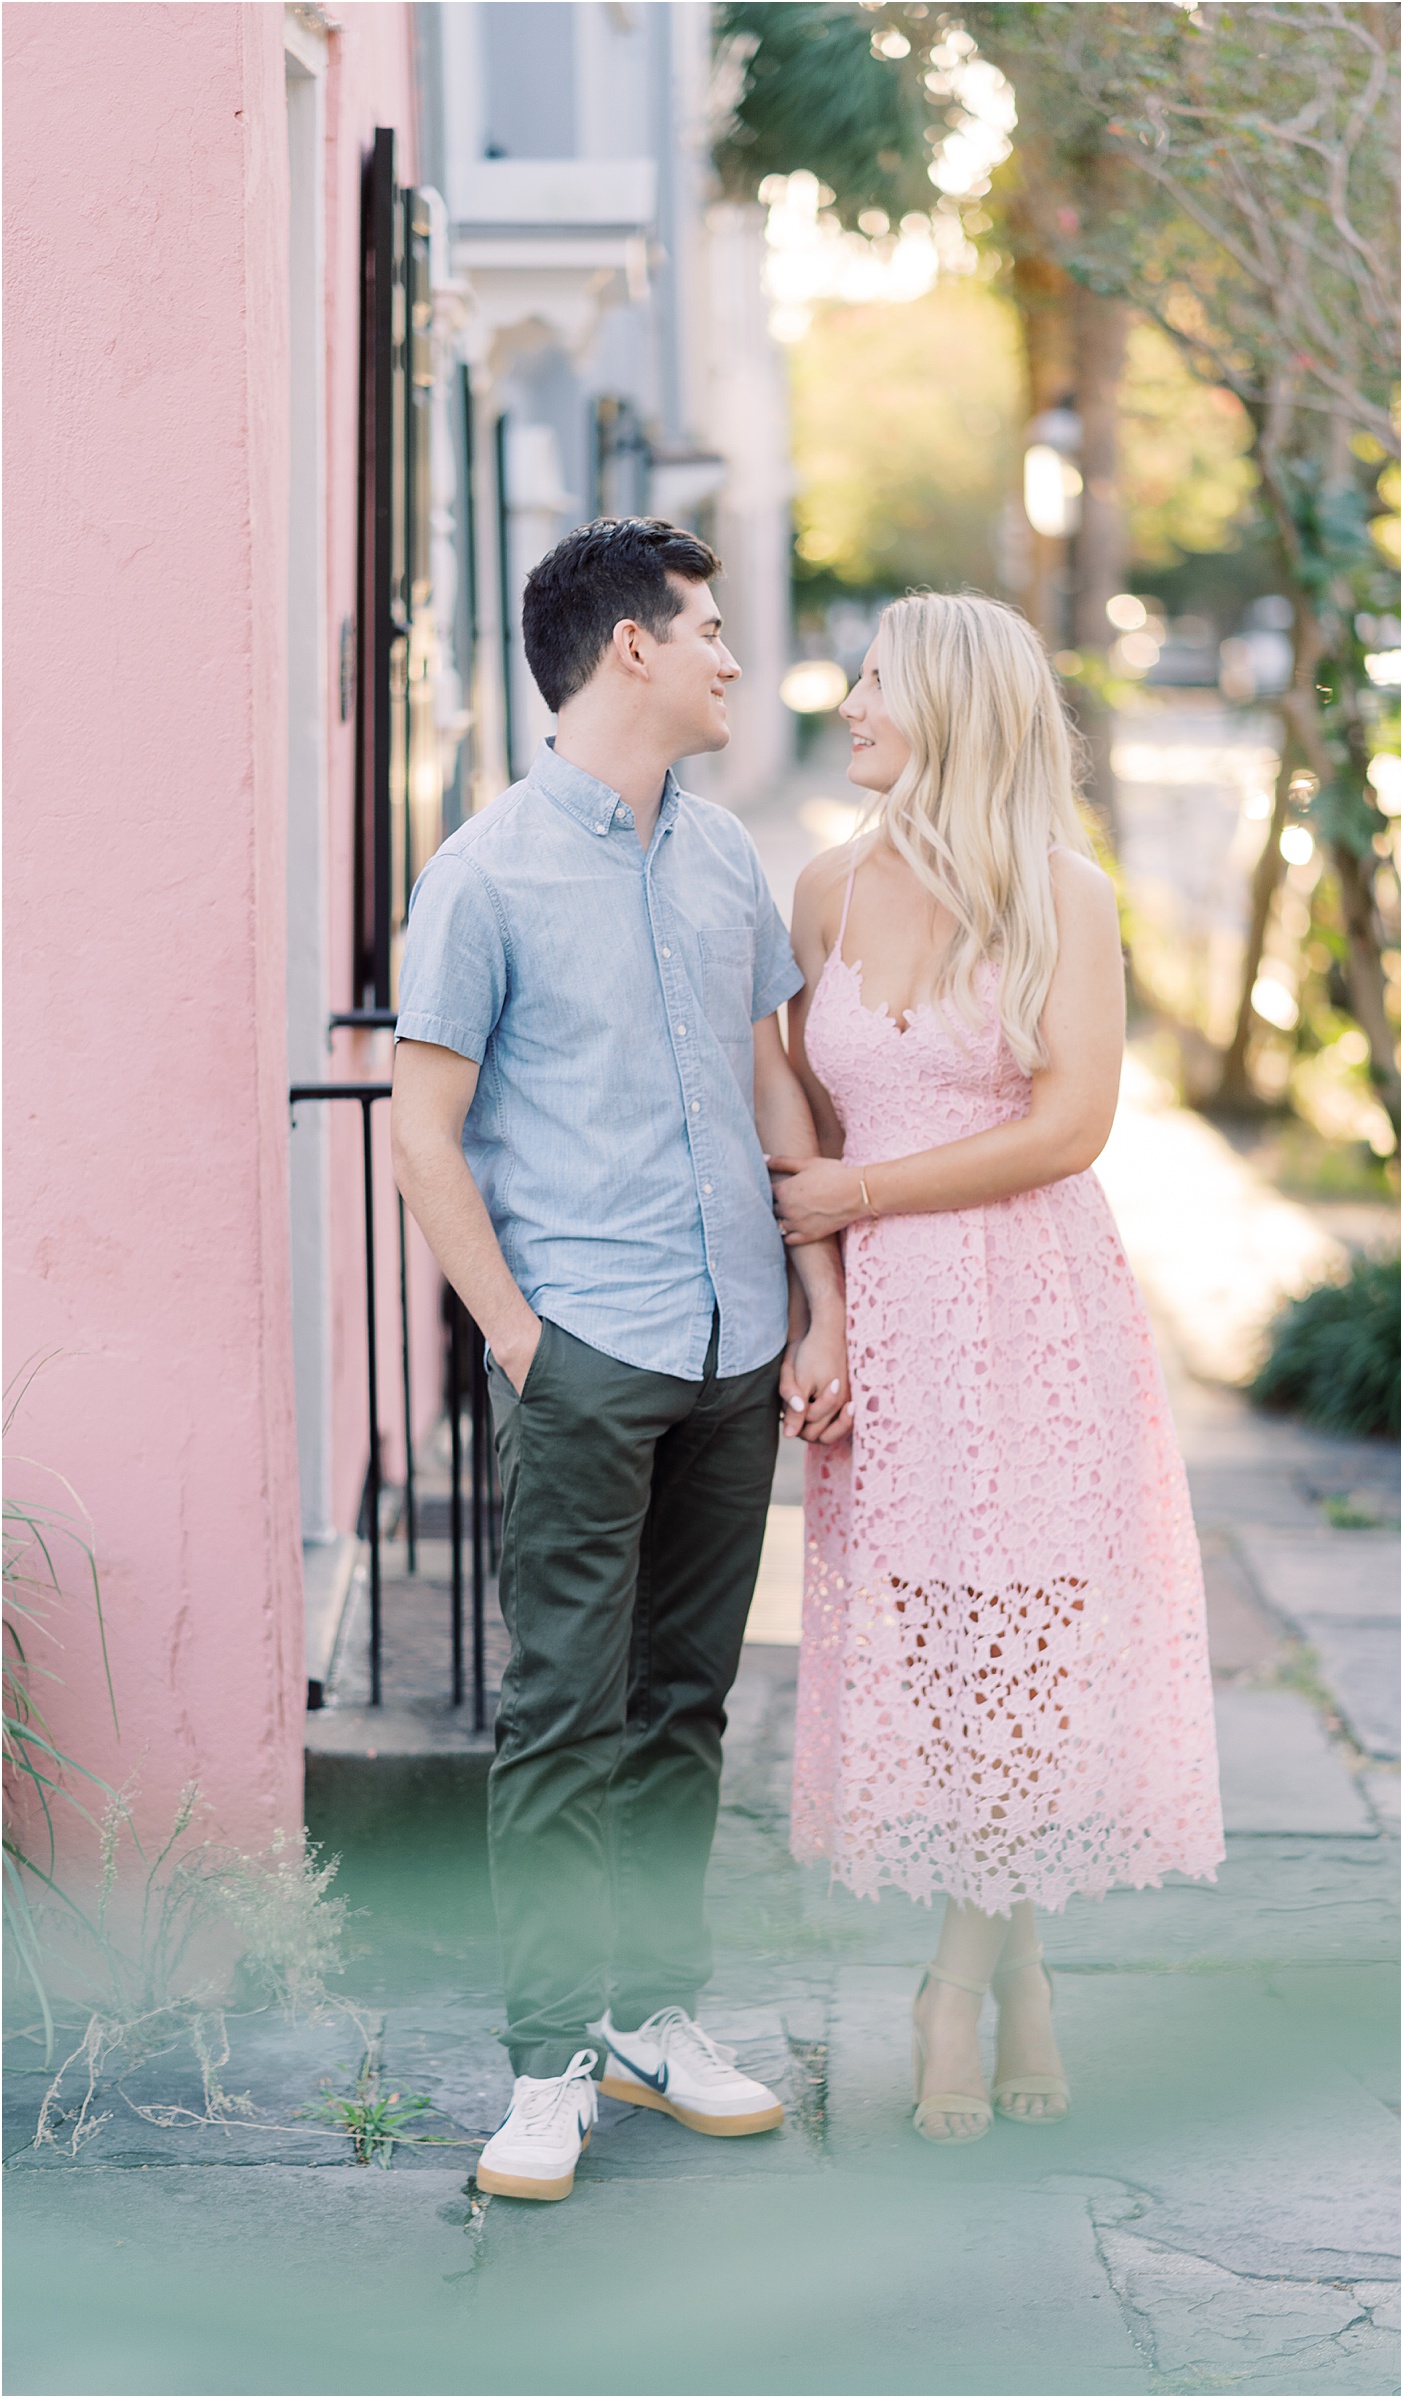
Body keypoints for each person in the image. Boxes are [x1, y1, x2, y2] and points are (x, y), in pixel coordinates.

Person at [392, 517, 848, 2202]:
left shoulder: (727, 855)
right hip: (588, 1348)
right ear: (631, 650)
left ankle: (657, 2017)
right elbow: (423, 1137)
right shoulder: (485, 871)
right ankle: (542, 2062)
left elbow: (772, 1088)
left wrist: (820, 1300)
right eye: (710, 627)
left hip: (736, 1341)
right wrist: (523, 1343)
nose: (735, 654)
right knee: (562, 1715)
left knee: (685, 1707)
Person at [768, 592, 1224, 2145]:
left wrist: (859, 1197)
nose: (852, 700)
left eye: (879, 679)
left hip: (1028, 1308)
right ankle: (1025, 1967)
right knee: (939, 1645)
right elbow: (793, 1112)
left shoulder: (1060, 893)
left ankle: (952, 1986)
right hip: (884, 1319)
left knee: (1020, 1634)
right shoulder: (827, 886)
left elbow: (1070, 1123)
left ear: (955, 702)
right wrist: (821, 1301)